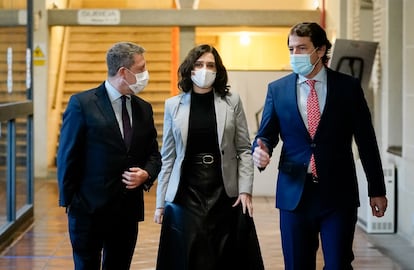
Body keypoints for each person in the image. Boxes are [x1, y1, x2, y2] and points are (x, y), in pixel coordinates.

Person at [252, 22, 388, 269]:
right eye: (291, 49)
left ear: (321, 50)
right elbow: (266, 135)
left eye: (302, 48)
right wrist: (261, 151)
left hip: (337, 195)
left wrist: (376, 189)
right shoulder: (278, 90)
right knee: (296, 264)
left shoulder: (348, 88)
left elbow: (367, 141)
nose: (295, 55)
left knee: (338, 264)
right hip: (294, 196)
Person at [153, 44, 264, 270]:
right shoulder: (173, 105)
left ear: (218, 70)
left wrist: (245, 190)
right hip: (186, 190)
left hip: (224, 189)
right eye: (199, 64)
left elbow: (243, 149)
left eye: (210, 65)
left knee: (223, 256)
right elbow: (168, 157)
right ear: (190, 69)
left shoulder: (232, 101)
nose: (205, 69)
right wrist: (160, 203)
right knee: (191, 255)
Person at [57, 41, 162, 270]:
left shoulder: (144, 108)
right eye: (141, 68)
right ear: (123, 72)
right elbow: (67, 156)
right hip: (88, 211)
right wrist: (70, 204)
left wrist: (146, 174)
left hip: (127, 212)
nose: (146, 74)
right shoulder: (82, 104)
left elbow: (154, 154)